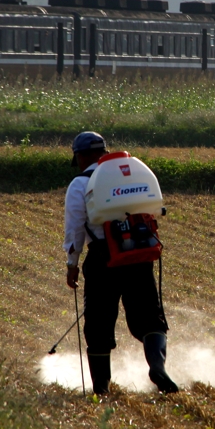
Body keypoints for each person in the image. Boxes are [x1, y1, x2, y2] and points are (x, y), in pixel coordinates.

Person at [63, 131, 179, 395]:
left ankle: (102, 388)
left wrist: (72, 264)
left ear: (81, 156)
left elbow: (74, 231)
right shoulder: (131, 173)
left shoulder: (81, 184)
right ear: (103, 151)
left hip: (103, 259)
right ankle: (158, 368)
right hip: (138, 254)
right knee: (150, 316)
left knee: (99, 323)